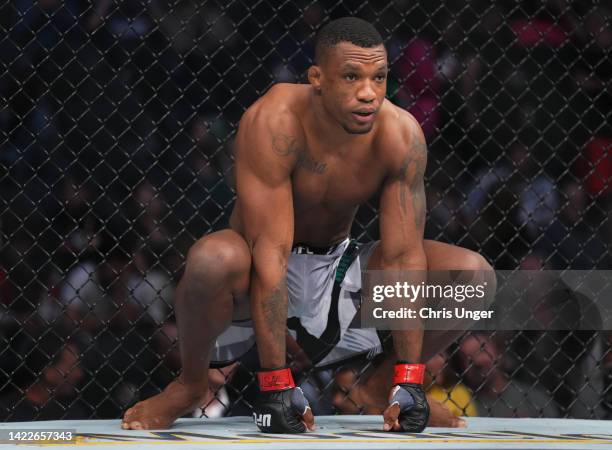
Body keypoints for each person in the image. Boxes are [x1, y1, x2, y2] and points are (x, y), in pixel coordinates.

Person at [121, 17, 493, 433]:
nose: (368, 93)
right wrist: (276, 381)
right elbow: (270, 251)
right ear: (317, 78)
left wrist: (409, 377)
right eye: (351, 77)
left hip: (338, 268)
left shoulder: (400, 135)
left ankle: (380, 387)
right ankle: (190, 384)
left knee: (473, 275)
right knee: (211, 258)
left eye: (379, 77)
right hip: (255, 273)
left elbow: (404, 257)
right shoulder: (275, 121)